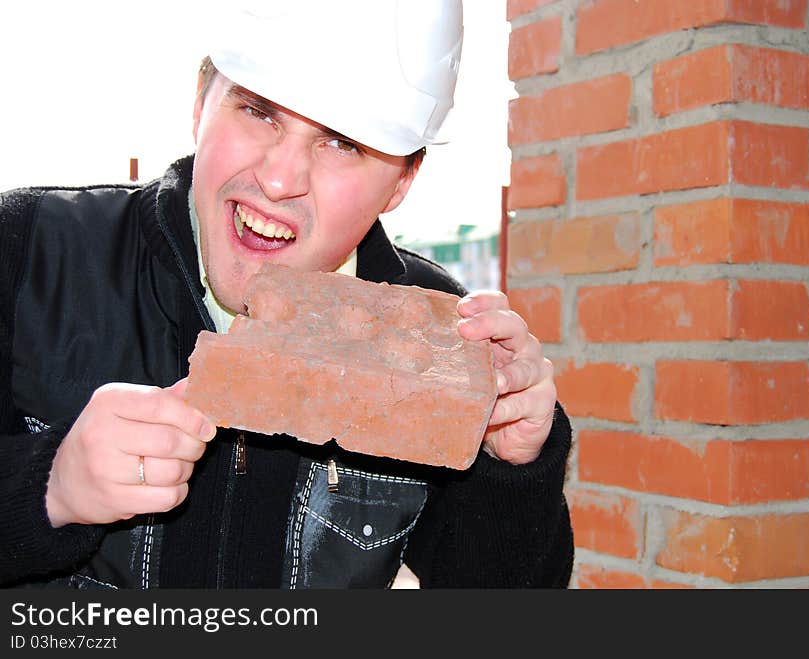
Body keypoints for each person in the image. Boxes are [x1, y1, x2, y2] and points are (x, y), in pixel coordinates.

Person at [0, 0, 573, 588]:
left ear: (403, 180)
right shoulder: (27, 251)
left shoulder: (436, 343)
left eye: (342, 142)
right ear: (202, 102)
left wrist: (511, 471)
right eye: (257, 111)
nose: (278, 179)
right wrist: (49, 487)